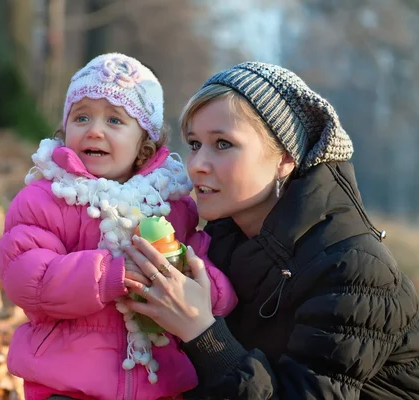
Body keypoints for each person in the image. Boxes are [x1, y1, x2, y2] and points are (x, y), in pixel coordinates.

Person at [122, 61, 419, 399]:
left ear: (285, 158)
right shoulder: (215, 241)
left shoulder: (355, 270)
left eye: (222, 144)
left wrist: (201, 330)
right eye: (194, 143)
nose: (197, 165)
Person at [0, 53, 238, 400]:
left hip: (158, 384)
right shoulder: (48, 197)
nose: (94, 130)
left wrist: (200, 285)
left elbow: (206, 267)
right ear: (65, 130)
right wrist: (111, 275)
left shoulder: (170, 205)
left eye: (114, 120)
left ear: (145, 142)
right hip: (67, 383)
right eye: (82, 117)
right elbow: (27, 275)